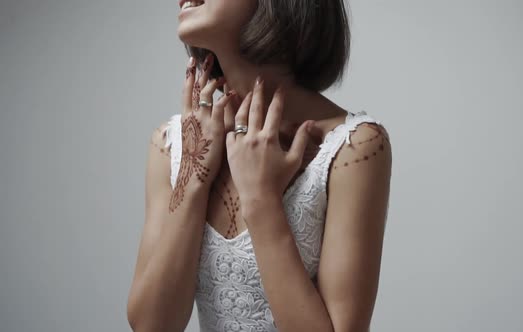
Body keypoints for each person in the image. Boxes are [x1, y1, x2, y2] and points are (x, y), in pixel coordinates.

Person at [127, 0, 392, 331]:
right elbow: (152, 326)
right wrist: (194, 177)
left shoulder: (353, 147)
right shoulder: (171, 146)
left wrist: (262, 199)